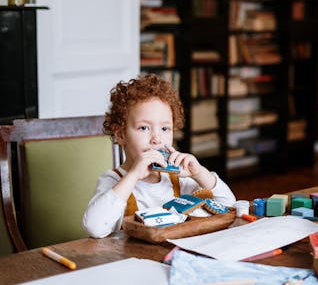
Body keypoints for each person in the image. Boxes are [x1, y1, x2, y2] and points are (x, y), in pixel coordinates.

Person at [82, 74, 236, 238]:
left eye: (165, 129)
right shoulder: (114, 181)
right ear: (121, 135)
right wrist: (133, 176)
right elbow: (94, 227)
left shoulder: (179, 179)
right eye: (144, 128)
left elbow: (229, 204)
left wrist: (200, 173)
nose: (156, 139)